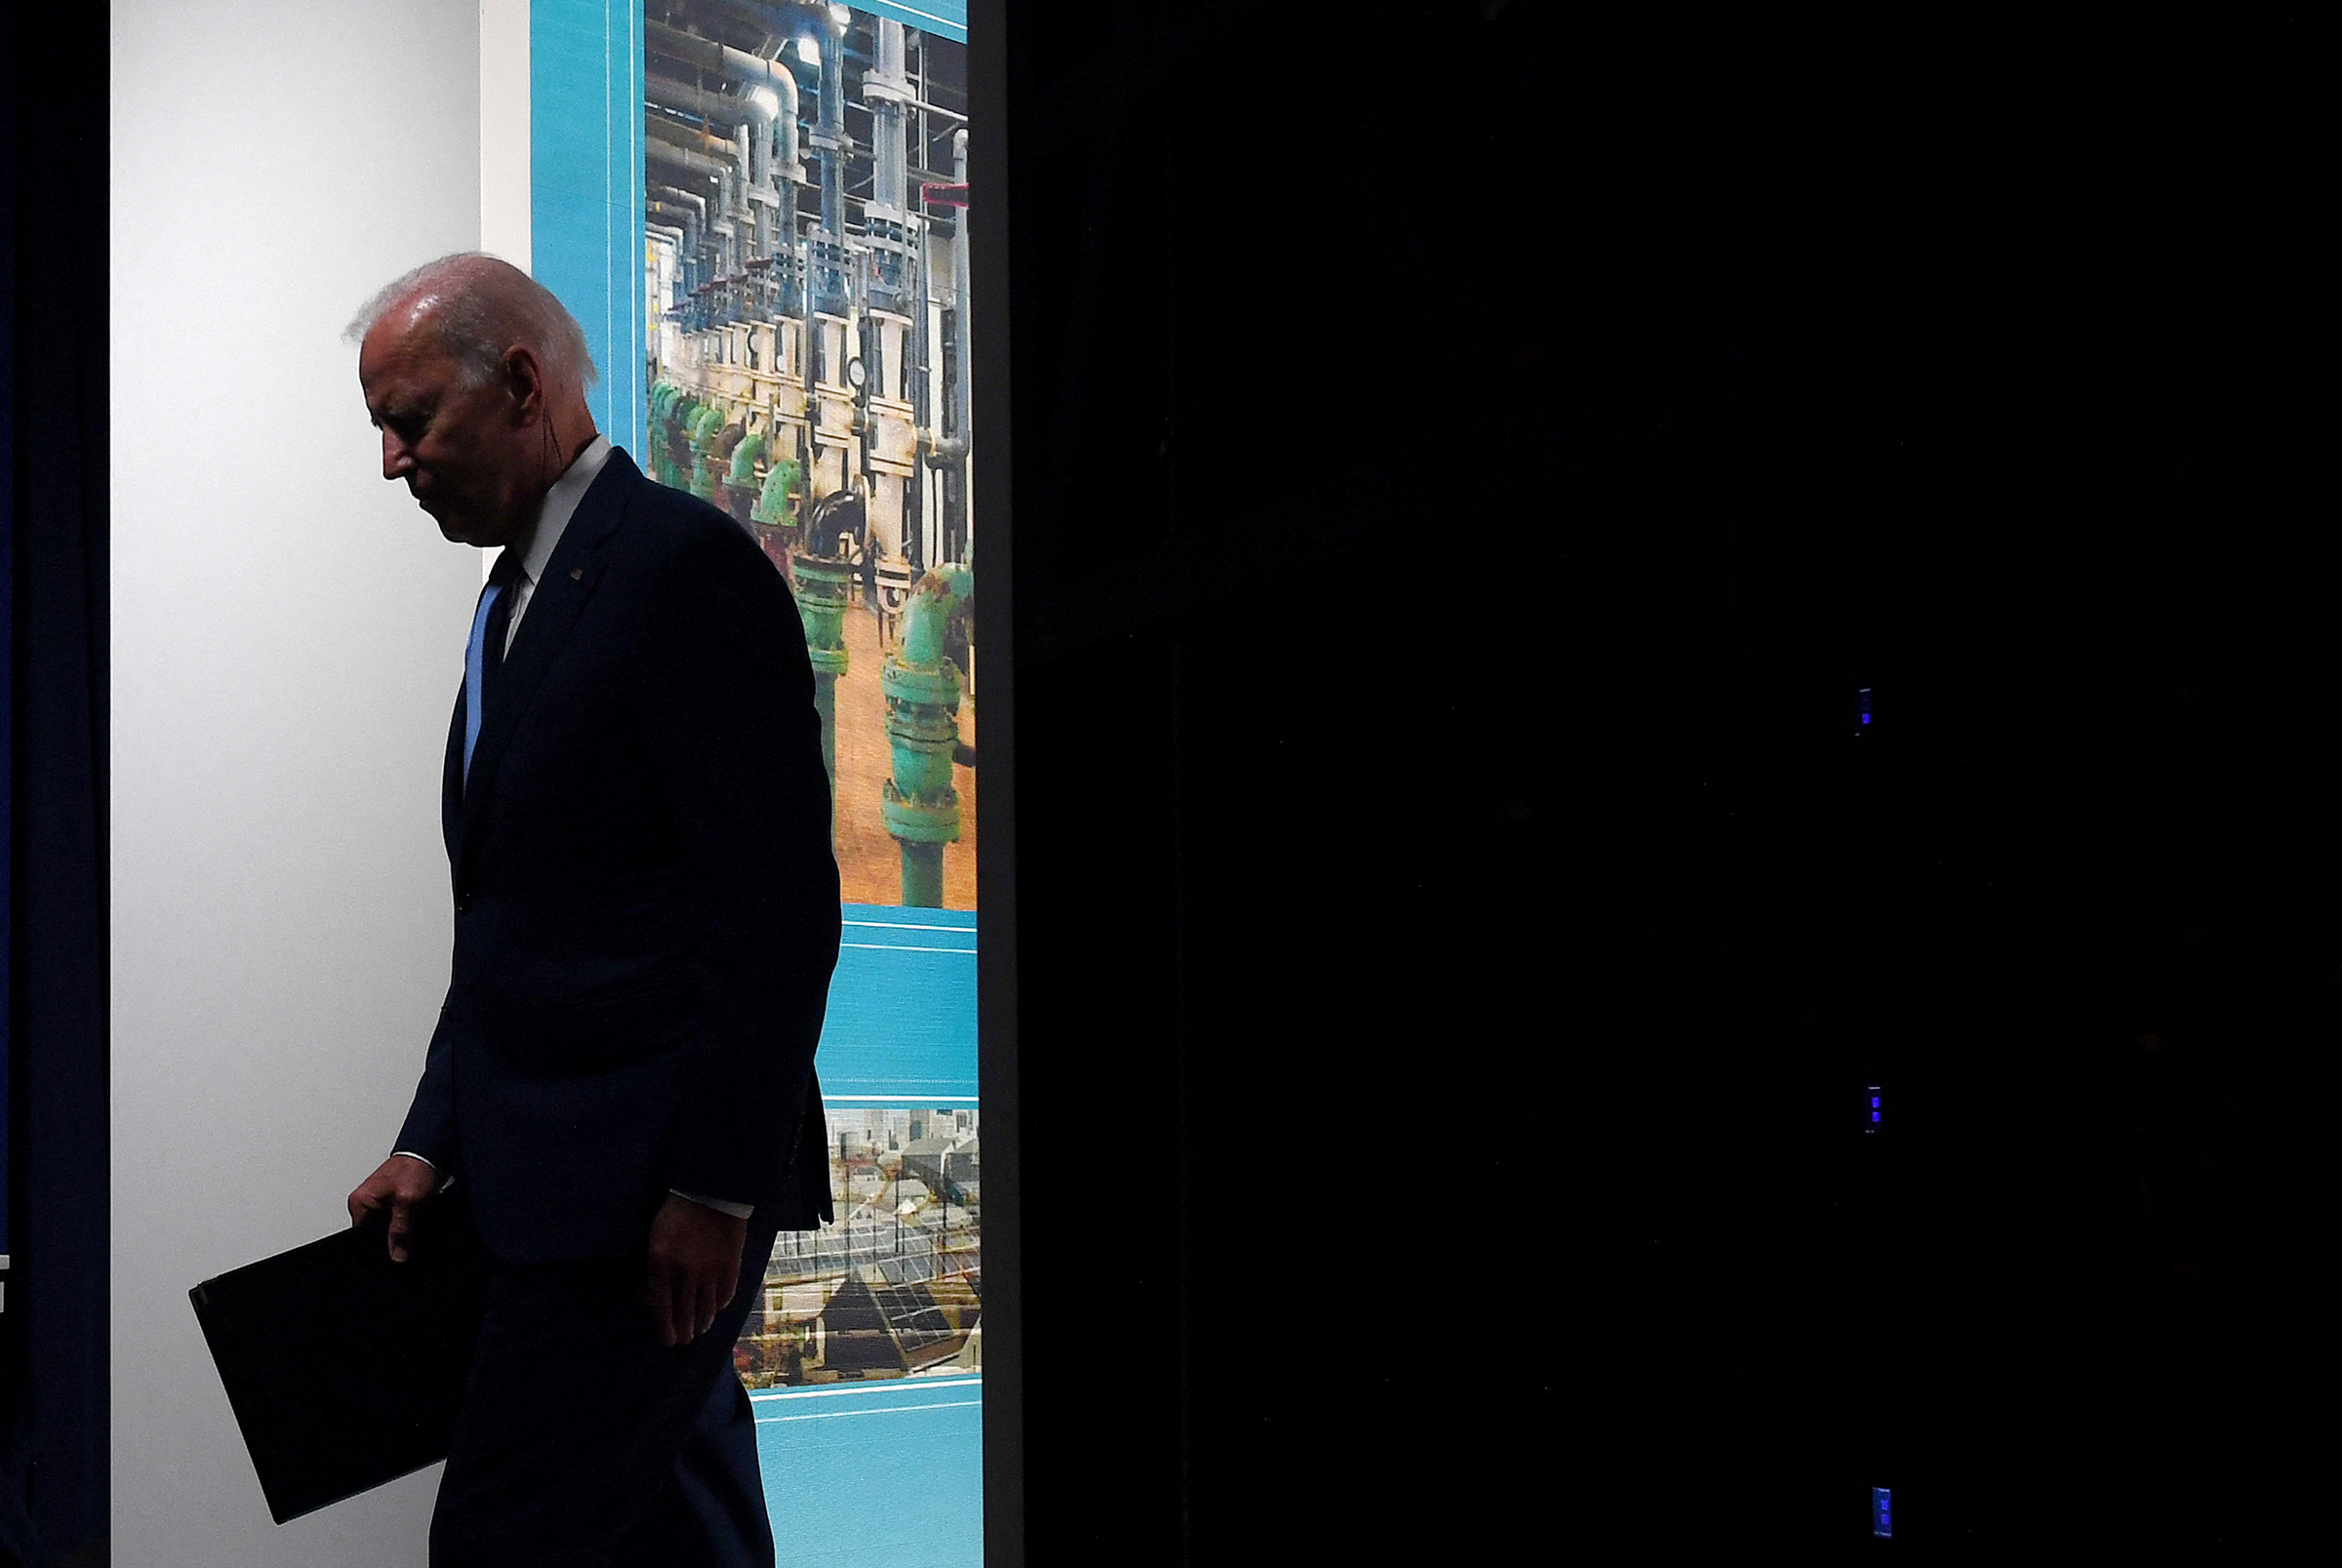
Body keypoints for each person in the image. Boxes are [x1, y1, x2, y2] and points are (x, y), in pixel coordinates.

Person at [342, 253, 839, 1566]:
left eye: (411, 422)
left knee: (502, 1545)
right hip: (545, 1194)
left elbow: (777, 912)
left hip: (635, 1212)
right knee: (688, 1530)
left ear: (518, 384)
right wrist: (430, 1140)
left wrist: (716, 1193)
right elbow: (514, 920)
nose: (392, 462)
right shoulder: (509, 601)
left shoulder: (680, 567)